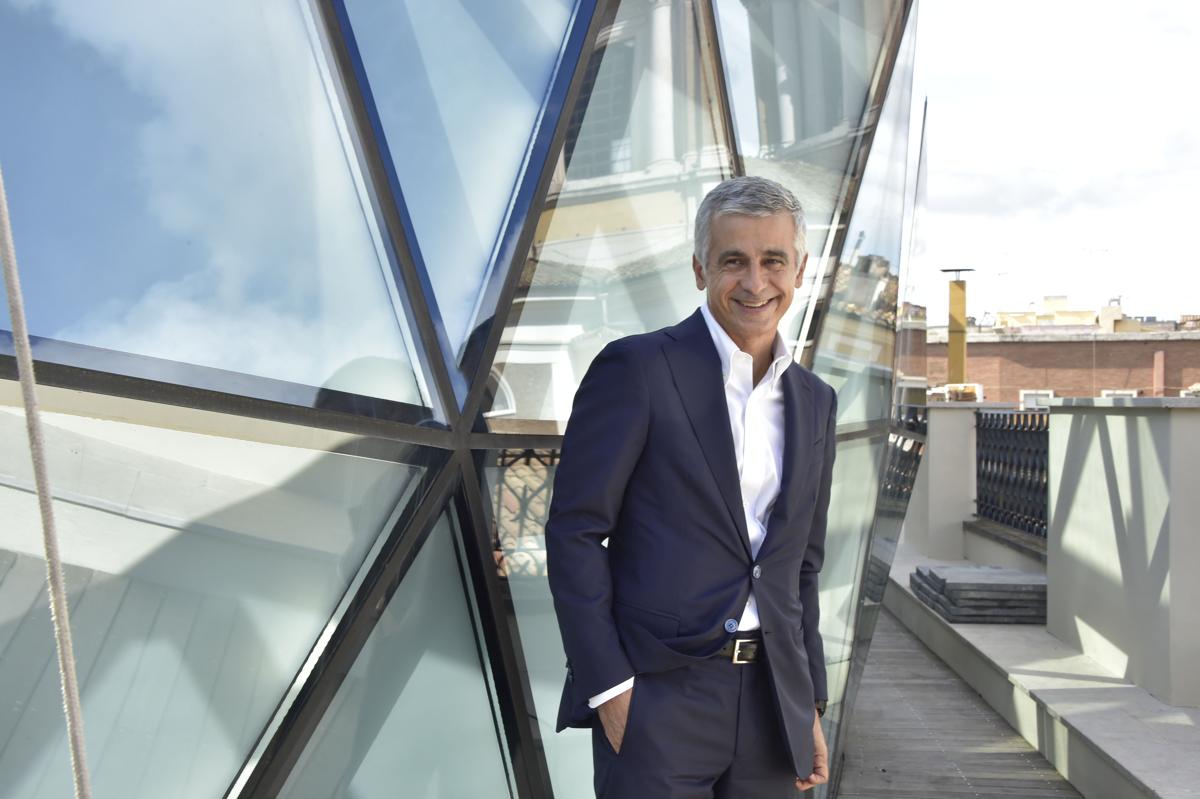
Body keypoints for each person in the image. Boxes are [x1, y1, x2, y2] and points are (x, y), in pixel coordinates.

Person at [546, 175, 838, 798]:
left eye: (773, 261)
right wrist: (610, 687)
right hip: (660, 694)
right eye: (734, 261)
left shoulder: (816, 400)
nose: (755, 282)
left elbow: (802, 564)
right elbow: (576, 532)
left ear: (799, 269)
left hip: (773, 703)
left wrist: (809, 699)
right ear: (701, 268)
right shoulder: (638, 368)